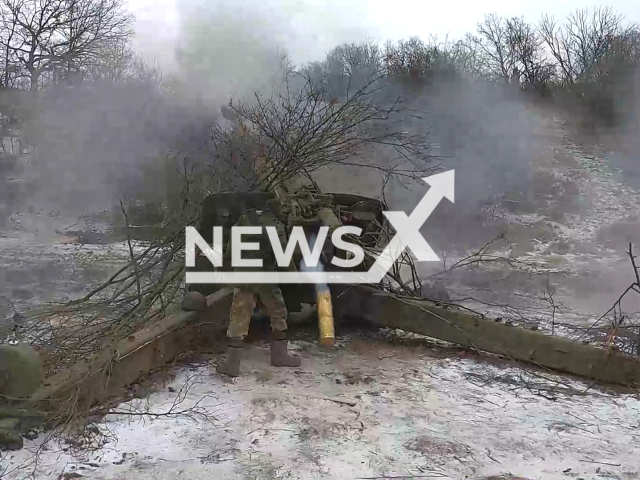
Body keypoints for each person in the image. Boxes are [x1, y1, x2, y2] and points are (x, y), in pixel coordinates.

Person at [216, 206, 301, 377]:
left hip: (244, 276)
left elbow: (230, 252)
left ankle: (232, 365)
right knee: (278, 313)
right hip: (266, 277)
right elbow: (284, 257)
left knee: (239, 317)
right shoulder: (276, 227)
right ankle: (279, 356)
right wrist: (294, 276)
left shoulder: (241, 223)